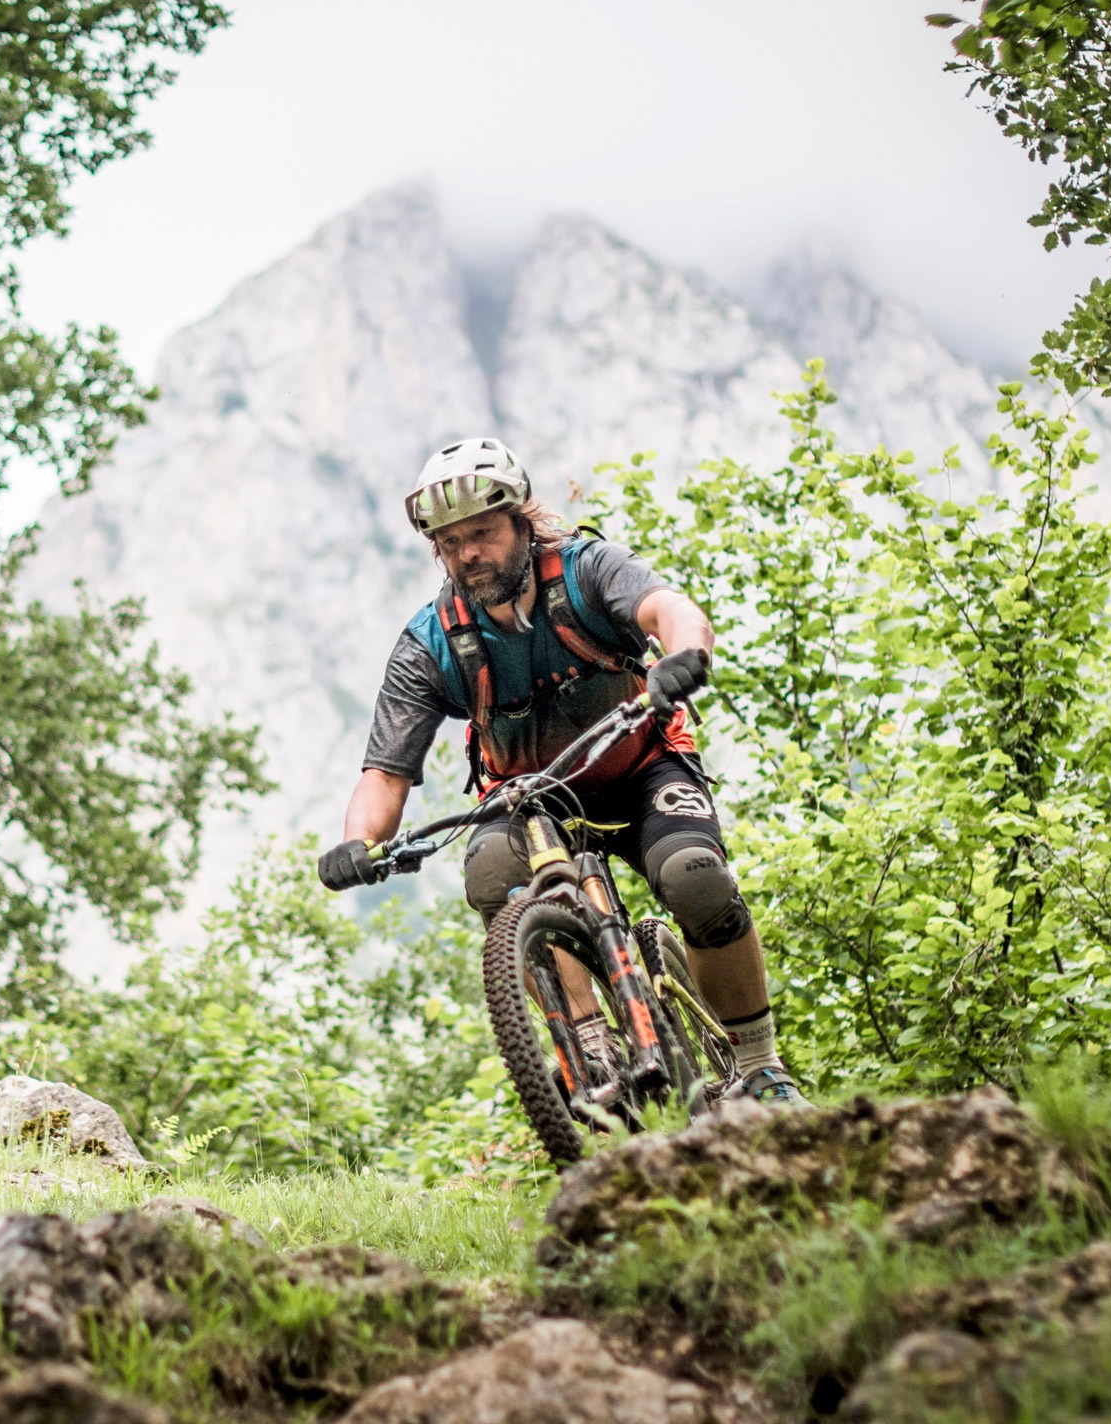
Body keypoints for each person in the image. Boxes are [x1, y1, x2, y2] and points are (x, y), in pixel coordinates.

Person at [317, 437, 805, 1105]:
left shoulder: (586, 570)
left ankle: (760, 1067)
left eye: (482, 533)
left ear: (521, 519)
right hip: (528, 799)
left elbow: (671, 609)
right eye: (450, 542)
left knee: (697, 880)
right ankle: (592, 1042)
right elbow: (385, 774)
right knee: (493, 875)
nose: (468, 553)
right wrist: (359, 845)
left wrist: (684, 656)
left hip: (643, 769)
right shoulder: (431, 641)